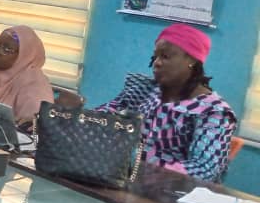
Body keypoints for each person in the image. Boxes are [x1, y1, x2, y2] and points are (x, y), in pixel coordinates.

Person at [92, 23, 237, 182]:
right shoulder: (146, 90)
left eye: (166, 56)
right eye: (156, 56)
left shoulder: (213, 112)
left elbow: (205, 168)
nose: (157, 63)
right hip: (118, 179)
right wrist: (73, 113)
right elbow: (102, 118)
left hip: (168, 193)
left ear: (193, 61)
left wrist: (141, 170)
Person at [0, 25, 53, 125]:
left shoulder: (34, 83)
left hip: (20, 138)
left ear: (24, 55)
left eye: (7, 49)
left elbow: (35, 126)